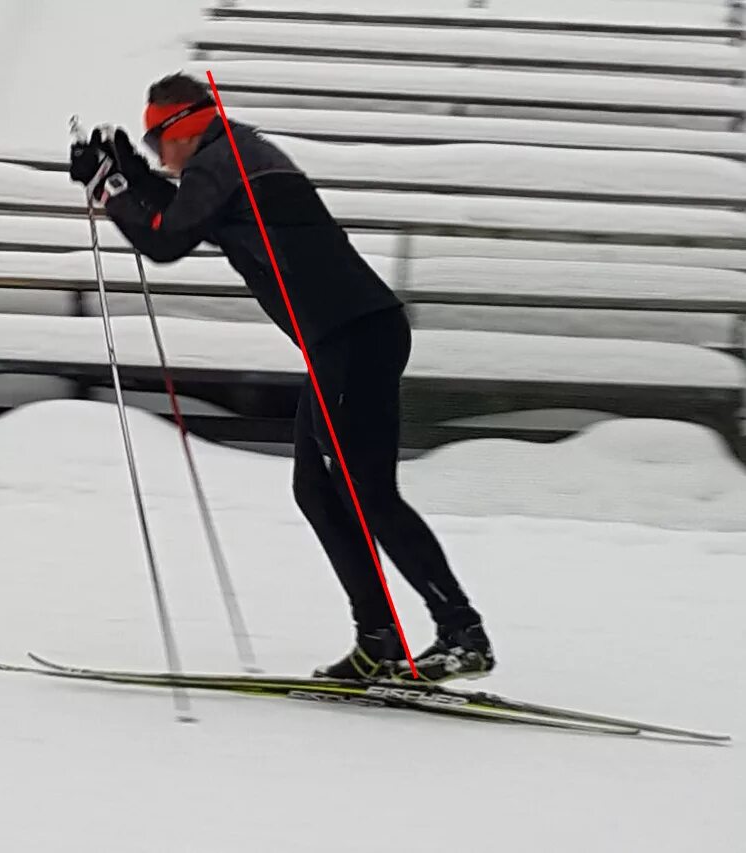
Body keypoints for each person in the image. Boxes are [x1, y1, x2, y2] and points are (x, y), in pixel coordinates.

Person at [69, 72, 495, 683]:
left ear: (183, 126)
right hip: (347, 338)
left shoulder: (223, 162)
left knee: (367, 494)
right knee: (319, 490)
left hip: (354, 338)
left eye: (156, 139)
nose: (158, 153)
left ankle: (462, 632)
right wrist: (128, 173)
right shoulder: (229, 156)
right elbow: (182, 217)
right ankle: (379, 640)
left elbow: (165, 241)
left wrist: (112, 188)